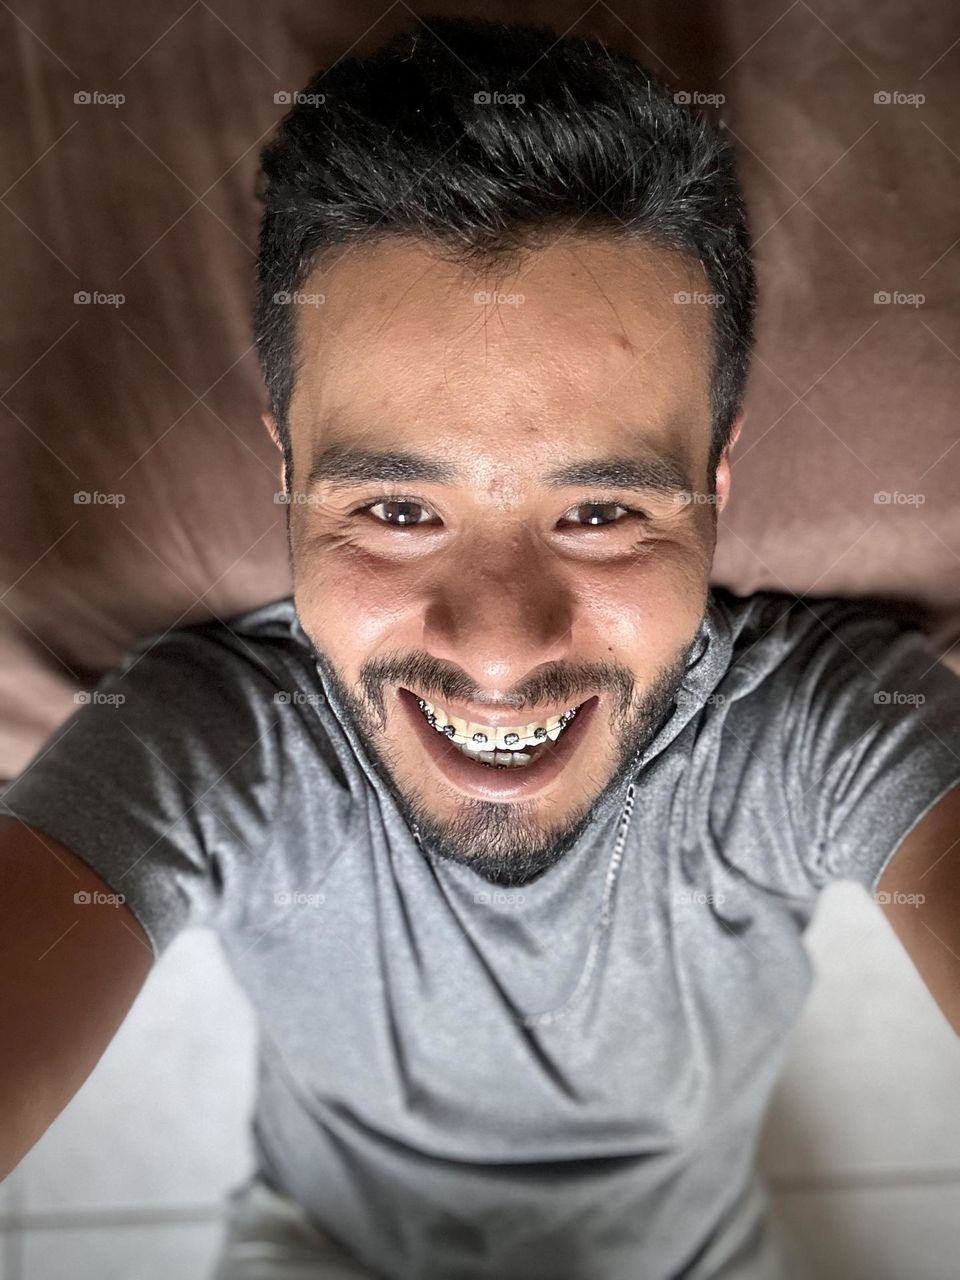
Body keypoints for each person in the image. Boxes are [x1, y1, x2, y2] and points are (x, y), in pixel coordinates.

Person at [3, 16, 959, 1280]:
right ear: (286, 476)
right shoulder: (210, 737)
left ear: (718, 480)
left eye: (602, 511)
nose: (500, 649)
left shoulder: (812, 723)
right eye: (397, 512)